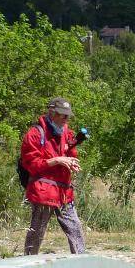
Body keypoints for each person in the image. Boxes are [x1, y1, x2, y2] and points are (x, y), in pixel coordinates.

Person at [21, 97, 85, 255]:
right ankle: (28, 265)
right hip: (43, 192)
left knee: (75, 229)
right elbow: (31, 164)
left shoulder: (67, 133)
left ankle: (82, 266)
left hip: (64, 192)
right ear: (52, 112)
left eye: (67, 116)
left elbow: (70, 153)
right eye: (62, 115)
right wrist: (56, 160)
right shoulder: (35, 134)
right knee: (36, 234)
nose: (66, 118)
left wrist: (71, 162)